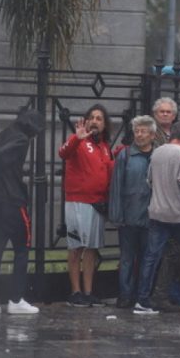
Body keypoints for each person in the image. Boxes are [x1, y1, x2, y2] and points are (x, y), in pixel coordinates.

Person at [133, 121, 180, 315]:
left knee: (151, 257)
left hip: (156, 212)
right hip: (178, 215)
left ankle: (142, 301)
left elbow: (149, 180)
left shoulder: (157, 152)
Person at [0, 110, 42, 316]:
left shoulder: (4, 133)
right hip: (12, 201)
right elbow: (0, 157)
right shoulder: (21, 138)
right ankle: (16, 299)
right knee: (22, 250)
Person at [58, 104, 113, 307]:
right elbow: (63, 153)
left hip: (97, 203)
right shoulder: (79, 141)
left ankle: (88, 292)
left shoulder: (105, 146)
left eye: (99, 118)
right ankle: (75, 292)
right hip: (78, 202)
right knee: (76, 247)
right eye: (92, 117)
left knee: (91, 249)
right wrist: (76, 138)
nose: (95, 121)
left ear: (104, 124)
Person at [108, 115, 156, 308]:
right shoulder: (125, 155)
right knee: (127, 259)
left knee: (147, 258)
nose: (139, 135)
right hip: (129, 216)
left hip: (152, 217)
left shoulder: (158, 156)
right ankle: (125, 295)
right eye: (137, 131)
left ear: (152, 135)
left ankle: (142, 294)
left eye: (143, 131)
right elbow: (116, 185)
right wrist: (116, 214)